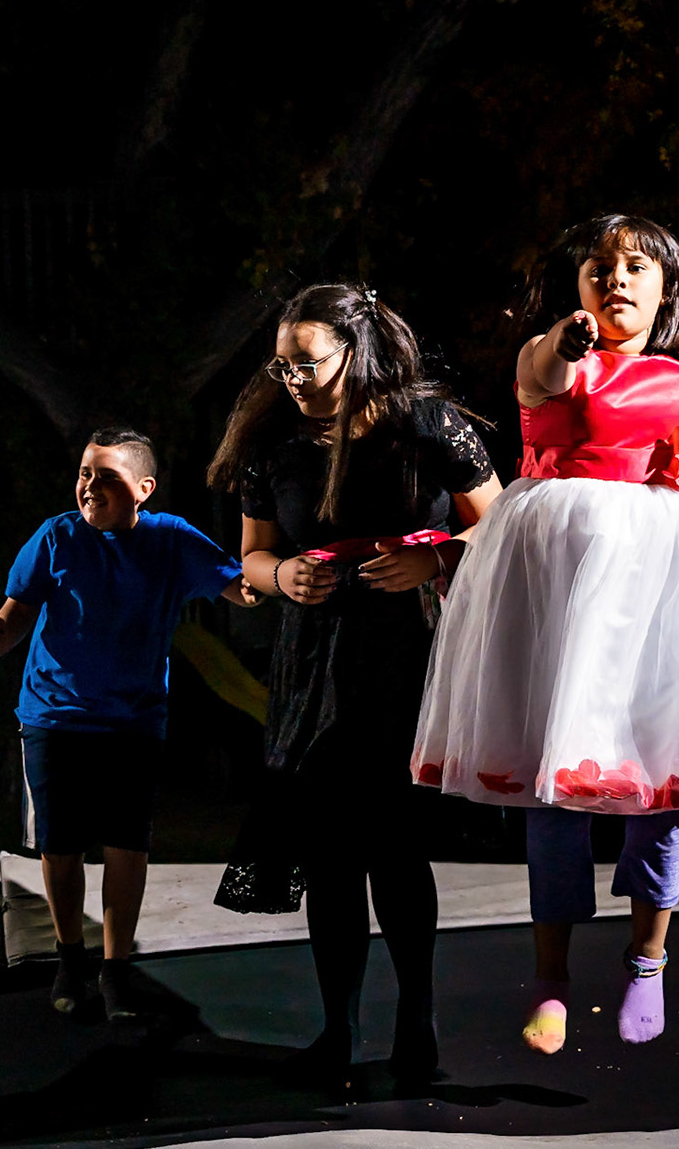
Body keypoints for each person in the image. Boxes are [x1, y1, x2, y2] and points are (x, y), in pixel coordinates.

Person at [410, 214, 679, 1055]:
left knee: (662, 777)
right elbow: (544, 370)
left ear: (666, 286)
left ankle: (647, 959)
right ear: (578, 287)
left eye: (637, 267)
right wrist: (569, 340)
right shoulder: (550, 355)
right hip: (562, 580)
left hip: (664, 584)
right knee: (555, 785)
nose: (618, 280)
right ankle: (552, 979)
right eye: (601, 268)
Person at [203, 284, 501, 1086]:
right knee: (331, 859)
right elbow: (253, 560)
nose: (292, 377)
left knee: (396, 852)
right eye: (282, 363)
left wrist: (434, 560)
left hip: (406, 654)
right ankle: (336, 1031)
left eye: (307, 361)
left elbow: (502, 523)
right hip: (314, 665)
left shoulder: (426, 426)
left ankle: (417, 1024)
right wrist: (283, 572)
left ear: (354, 350)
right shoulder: (275, 445)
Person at [0, 429, 254, 1023]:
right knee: (60, 849)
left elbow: (242, 587)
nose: (91, 486)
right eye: (86, 473)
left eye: (108, 477)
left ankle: (115, 970)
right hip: (54, 717)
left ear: (143, 488)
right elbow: (8, 627)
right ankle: (71, 957)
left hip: (135, 721)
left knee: (126, 848)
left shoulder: (171, 539)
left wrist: (280, 566)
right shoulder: (56, 536)